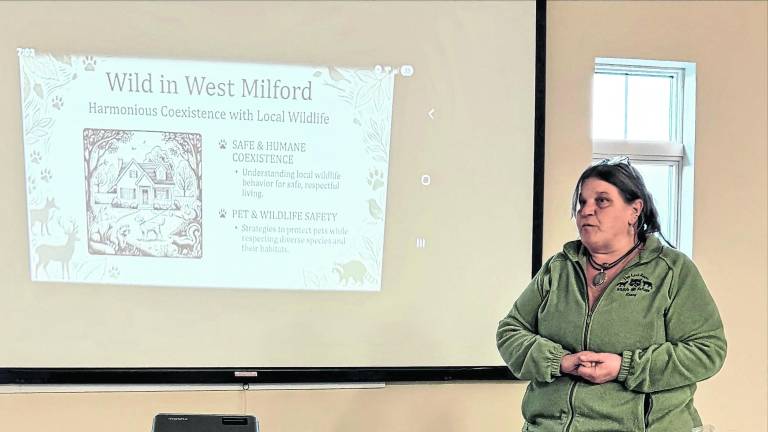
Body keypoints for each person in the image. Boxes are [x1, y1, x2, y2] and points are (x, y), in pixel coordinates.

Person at [497, 157, 726, 432]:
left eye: (601, 201)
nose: (586, 211)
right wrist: (558, 361)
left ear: (634, 210)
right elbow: (510, 331)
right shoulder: (558, 268)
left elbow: (707, 350)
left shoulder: (672, 270)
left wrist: (626, 367)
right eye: (582, 202)